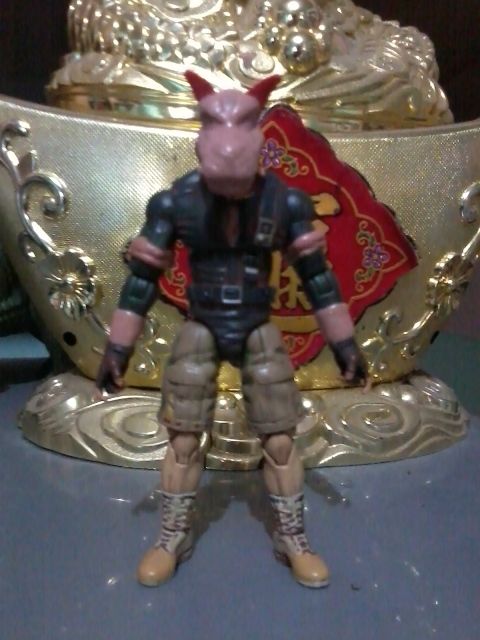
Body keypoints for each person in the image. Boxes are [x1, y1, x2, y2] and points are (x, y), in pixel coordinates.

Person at [96, 71, 367, 588]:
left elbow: (318, 280)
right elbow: (141, 282)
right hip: (201, 324)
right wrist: (117, 350)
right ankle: (171, 536)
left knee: (280, 440)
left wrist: (344, 344)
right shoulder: (175, 202)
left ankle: (292, 537)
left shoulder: (284, 203)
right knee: (182, 439)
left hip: (256, 324)